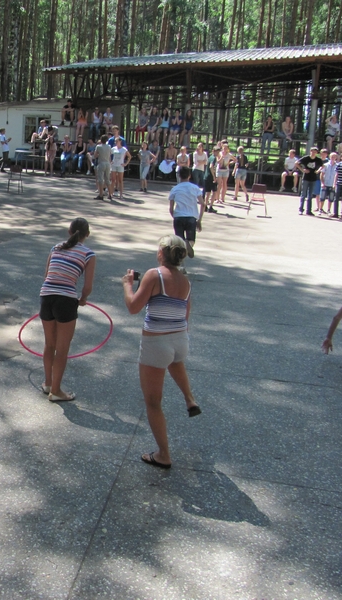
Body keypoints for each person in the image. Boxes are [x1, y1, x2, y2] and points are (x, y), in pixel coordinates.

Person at [121, 235, 202, 470]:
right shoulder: (185, 282)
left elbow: (133, 307)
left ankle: (163, 454)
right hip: (180, 340)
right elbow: (185, 315)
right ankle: (189, 399)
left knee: (153, 402)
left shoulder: (153, 274)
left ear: (161, 253)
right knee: (175, 362)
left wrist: (127, 285)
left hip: (156, 343)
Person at [39, 218, 96, 402]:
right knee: (62, 349)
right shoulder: (88, 254)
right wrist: (83, 299)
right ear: (87, 235)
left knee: (49, 344)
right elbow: (87, 287)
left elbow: (47, 274)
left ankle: (48, 383)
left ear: (69, 231)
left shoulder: (56, 248)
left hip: (46, 295)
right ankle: (56, 391)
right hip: (66, 299)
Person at [168, 167, 205, 260]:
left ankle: (181, 266)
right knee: (191, 240)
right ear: (189, 176)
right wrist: (199, 220)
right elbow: (203, 204)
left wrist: (174, 216)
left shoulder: (175, 189)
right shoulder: (195, 188)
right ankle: (188, 244)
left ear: (179, 176)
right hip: (191, 217)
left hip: (178, 217)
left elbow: (171, 208)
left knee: (178, 244)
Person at [297, 146, 323, 215]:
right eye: (312, 151)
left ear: (317, 153)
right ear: (310, 151)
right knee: (303, 194)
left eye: (315, 152)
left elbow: (322, 166)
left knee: (310, 195)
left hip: (313, 178)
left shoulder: (318, 160)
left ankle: (309, 210)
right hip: (306, 178)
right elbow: (297, 163)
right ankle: (301, 209)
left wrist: (318, 171)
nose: (313, 153)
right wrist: (303, 170)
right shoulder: (306, 158)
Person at [93, 135, 112, 200]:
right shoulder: (109, 146)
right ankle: (110, 194)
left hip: (101, 163)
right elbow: (110, 155)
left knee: (100, 179)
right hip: (107, 163)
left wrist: (99, 154)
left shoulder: (98, 146)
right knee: (107, 179)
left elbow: (95, 155)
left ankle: (101, 194)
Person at [203, 145, 219, 213]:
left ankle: (205, 206)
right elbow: (211, 166)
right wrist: (214, 177)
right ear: (215, 152)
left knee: (208, 192)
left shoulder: (210, 157)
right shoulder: (214, 158)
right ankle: (210, 207)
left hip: (206, 177)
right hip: (210, 177)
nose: (218, 153)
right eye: (217, 152)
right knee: (214, 192)